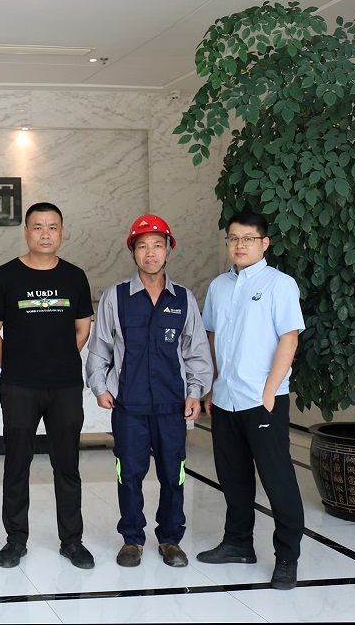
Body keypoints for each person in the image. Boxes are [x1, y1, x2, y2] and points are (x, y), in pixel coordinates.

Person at [85, 214, 213, 568]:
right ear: (133, 251)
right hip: (129, 404)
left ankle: (170, 539)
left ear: (169, 250)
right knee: (129, 474)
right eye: (142, 246)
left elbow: (197, 351)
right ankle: (132, 539)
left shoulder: (183, 298)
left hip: (173, 405)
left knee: (174, 474)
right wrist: (99, 385)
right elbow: (100, 347)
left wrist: (195, 392)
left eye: (158, 245)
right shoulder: (116, 297)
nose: (151, 253)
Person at [0, 202, 95, 570]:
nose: (46, 234)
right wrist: (17, 366)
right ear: (26, 232)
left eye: (52, 227)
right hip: (19, 387)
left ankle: (72, 541)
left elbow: (83, 329)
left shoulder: (75, 277)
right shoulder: (4, 276)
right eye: (38, 227)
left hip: (65, 386)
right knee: (17, 463)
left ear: (62, 232)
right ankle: (16, 539)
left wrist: (57, 360)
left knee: (68, 465)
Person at [197, 210, 305, 590]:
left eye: (248, 238)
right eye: (233, 238)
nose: (239, 245)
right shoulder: (219, 286)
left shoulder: (280, 284)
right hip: (225, 399)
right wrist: (211, 386)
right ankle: (238, 543)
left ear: (264, 243)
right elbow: (211, 337)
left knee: (278, 480)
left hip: (262, 401)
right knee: (233, 477)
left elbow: (289, 338)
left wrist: (270, 392)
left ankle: (287, 558)